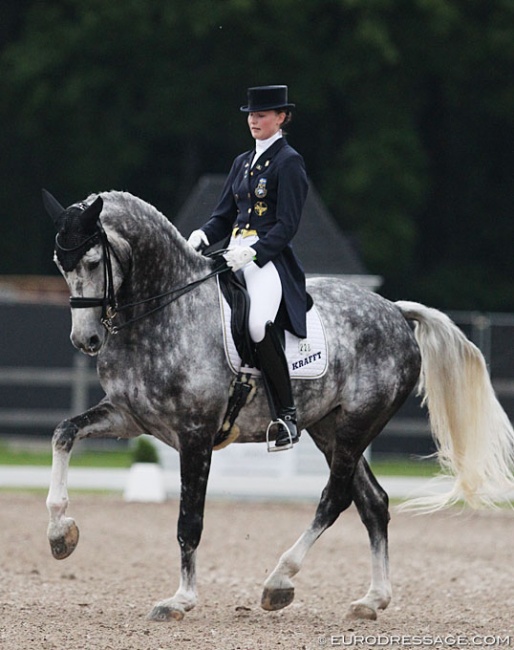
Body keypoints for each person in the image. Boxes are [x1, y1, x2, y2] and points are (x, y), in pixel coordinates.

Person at [188, 85, 308, 449]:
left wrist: (253, 253)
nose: (254, 120)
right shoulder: (241, 162)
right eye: (251, 115)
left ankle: (286, 416)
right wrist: (200, 238)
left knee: (257, 324)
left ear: (281, 118)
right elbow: (223, 217)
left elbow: (286, 226)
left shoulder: (289, 162)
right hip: (231, 253)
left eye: (262, 115)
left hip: (266, 260)